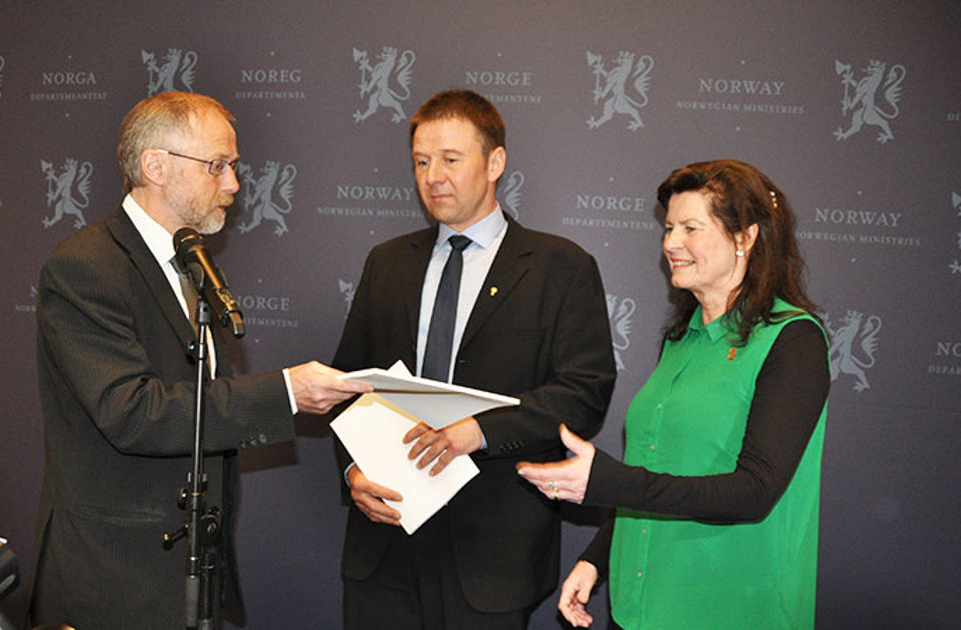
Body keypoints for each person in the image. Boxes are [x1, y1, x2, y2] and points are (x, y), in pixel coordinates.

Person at [28, 91, 371, 629]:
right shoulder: (85, 266)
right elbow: (132, 412)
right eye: (217, 165)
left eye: (233, 166)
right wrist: (286, 393)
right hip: (114, 580)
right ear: (155, 166)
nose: (233, 184)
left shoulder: (191, 262)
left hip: (189, 573)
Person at [332, 89, 617, 629]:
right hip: (384, 543)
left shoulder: (560, 267)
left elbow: (582, 393)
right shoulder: (387, 263)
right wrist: (352, 470)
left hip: (491, 553)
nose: (433, 177)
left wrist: (478, 431)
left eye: (450, 159)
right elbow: (346, 385)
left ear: (495, 163)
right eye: (421, 161)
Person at [518, 159, 830, 629]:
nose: (670, 243)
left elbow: (754, 491)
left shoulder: (792, 339)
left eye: (690, 228)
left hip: (725, 609)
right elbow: (661, 467)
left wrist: (608, 481)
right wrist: (597, 558)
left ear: (745, 237)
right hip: (640, 603)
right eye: (668, 228)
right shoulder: (682, 337)